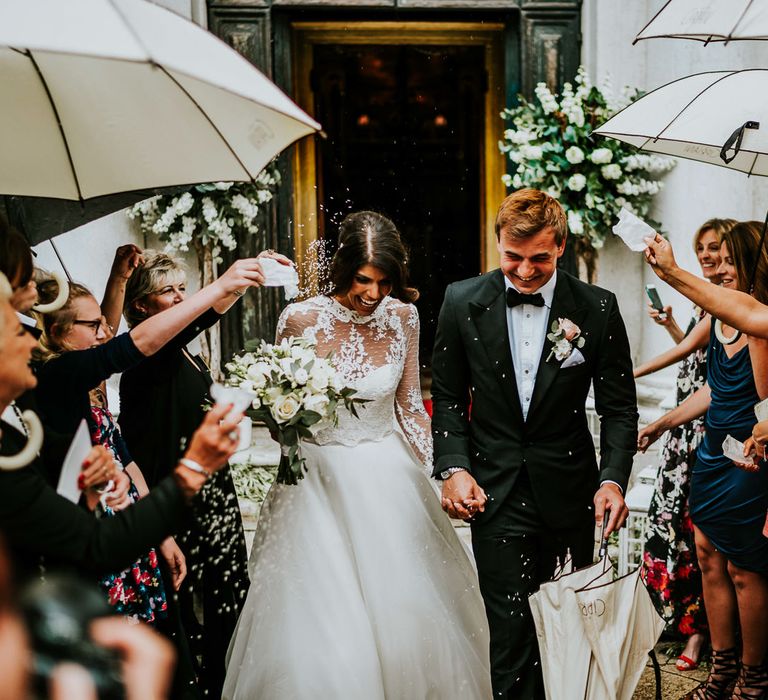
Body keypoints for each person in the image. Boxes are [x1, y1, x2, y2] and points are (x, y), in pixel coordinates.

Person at [223, 211, 492, 699]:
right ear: (344, 269)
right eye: (363, 280)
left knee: (406, 609)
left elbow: (409, 404)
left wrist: (444, 471)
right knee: (322, 616)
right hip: (316, 482)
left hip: (386, 475)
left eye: (385, 282)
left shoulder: (403, 317)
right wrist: (285, 423)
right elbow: (279, 410)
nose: (373, 293)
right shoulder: (300, 318)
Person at [431, 188, 638, 699]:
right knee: (511, 629)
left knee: (569, 625)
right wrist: (455, 467)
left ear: (561, 246)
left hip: (570, 490)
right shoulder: (462, 300)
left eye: (539, 258)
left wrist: (611, 479)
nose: (524, 272)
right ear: (498, 243)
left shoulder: (597, 308)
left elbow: (619, 409)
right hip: (495, 489)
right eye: (513, 258)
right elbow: (450, 397)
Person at [0, 271, 244, 583]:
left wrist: (159, 534)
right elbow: (129, 346)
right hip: (95, 547)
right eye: (17, 335)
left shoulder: (74, 384)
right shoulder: (58, 373)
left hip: (119, 520)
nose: (105, 332)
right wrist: (196, 466)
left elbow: (122, 459)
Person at [119, 250, 288, 698]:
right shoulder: (145, 354)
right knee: (197, 605)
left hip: (210, 490)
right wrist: (231, 283)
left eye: (181, 289)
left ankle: (227, 682)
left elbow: (196, 322)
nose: (178, 298)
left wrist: (246, 281)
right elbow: (196, 320)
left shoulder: (179, 352)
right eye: (166, 292)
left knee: (228, 594)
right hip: (174, 497)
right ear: (140, 305)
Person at [639, 221, 768, 699]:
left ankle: (753, 680)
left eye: (733, 259)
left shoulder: (760, 321)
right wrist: (664, 422)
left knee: (744, 569)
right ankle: (721, 669)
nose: (723, 267)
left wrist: (670, 270)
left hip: (748, 462)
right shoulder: (720, 317)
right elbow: (714, 388)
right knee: (708, 558)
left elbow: (764, 405)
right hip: (712, 454)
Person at [636, 218, 735, 672]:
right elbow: (694, 354)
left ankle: (709, 639)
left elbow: (699, 365)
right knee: (676, 531)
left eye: (720, 250)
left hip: (710, 432)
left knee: (705, 538)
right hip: (683, 425)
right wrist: (675, 324)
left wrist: (622, 374)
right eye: (704, 249)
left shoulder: (732, 303)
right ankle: (690, 630)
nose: (711, 257)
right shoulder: (706, 303)